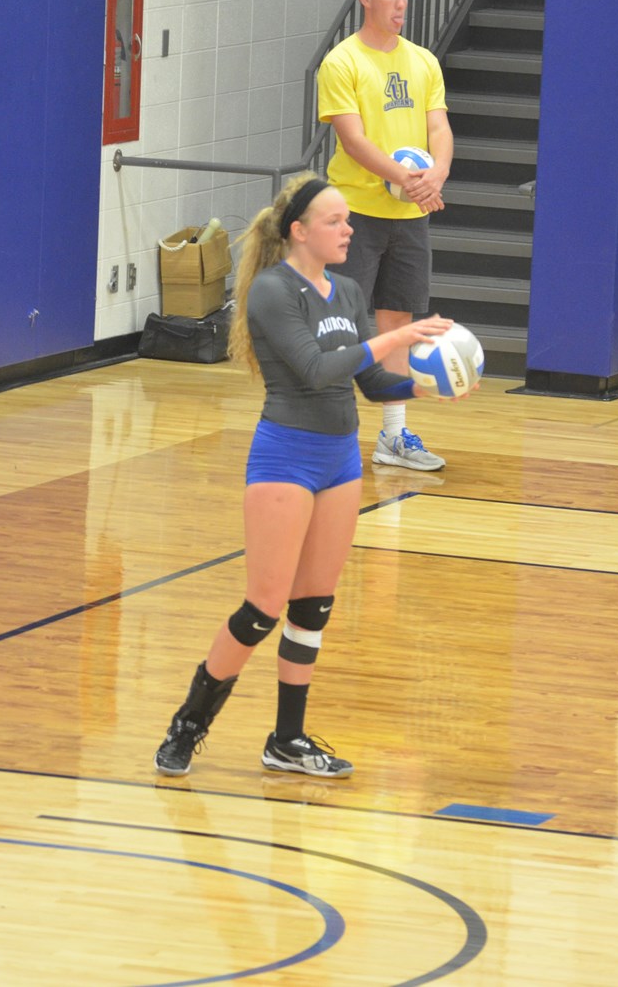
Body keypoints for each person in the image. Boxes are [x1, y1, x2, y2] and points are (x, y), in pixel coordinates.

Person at [153, 172, 463, 778]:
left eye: (347, 220)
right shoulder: (271, 291)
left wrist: (429, 385)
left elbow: (371, 385)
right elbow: (317, 370)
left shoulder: (346, 292)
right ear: (299, 232)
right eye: (335, 221)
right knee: (263, 608)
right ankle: (187, 726)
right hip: (285, 458)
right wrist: (398, 335)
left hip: (339, 460)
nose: (348, 230)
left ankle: (286, 740)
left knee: (313, 606)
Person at [316, 0, 455, 473]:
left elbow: (438, 128)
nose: (400, 4)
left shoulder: (423, 61)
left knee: (399, 320)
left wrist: (435, 174)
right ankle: (328, 433)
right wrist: (404, 178)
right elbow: (352, 140)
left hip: (409, 212)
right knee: (340, 325)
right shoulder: (342, 62)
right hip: (352, 212)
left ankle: (393, 437)